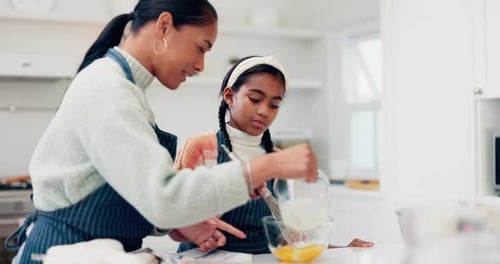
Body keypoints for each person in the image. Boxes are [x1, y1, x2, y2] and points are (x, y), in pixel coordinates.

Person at [3, 1, 319, 263]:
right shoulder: (107, 89)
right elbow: (163, 195)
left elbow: (130, 192)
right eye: (201, 48)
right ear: (164, 27)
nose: (200, 66)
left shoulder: (124, 89)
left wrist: (178, 223)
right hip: (69, 251)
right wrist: (267, 166)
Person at [174, 56, 374, 254]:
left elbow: (293, 237)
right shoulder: (201, 147)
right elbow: (172, 214)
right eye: (255, 99)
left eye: (274, 105)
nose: (264, 111)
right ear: (229, 96)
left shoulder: (279, 163)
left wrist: (342, 250)